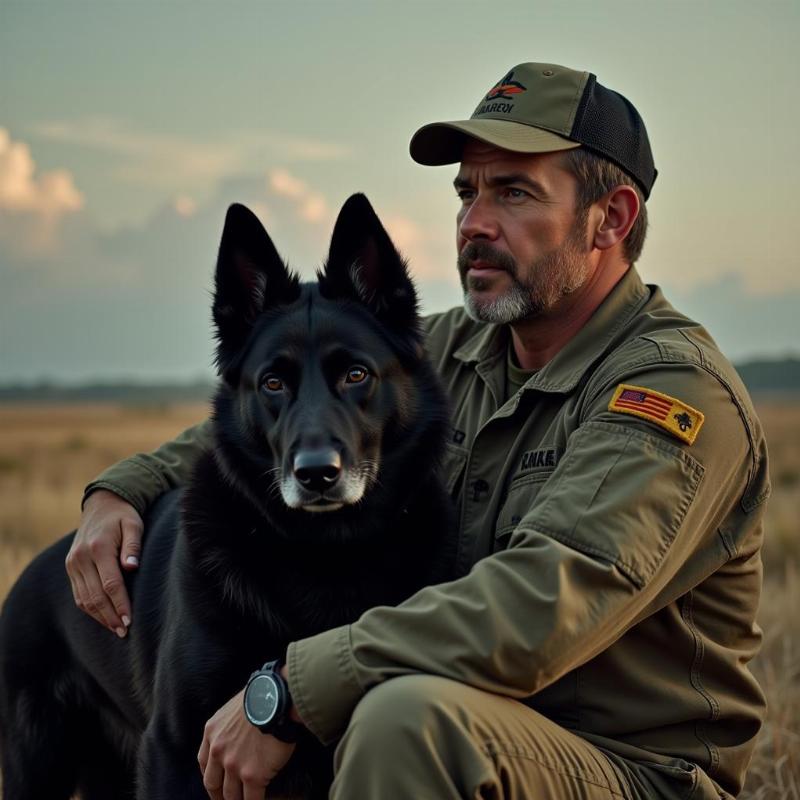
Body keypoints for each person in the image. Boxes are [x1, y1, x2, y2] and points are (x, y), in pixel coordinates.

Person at [66, 62, 769, 799]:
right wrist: (122, 491)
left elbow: (538, 608)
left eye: (514, 192)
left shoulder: (672, 394)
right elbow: (270, 414)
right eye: (467, 191)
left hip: (627, 772)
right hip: (483, 730)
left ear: (612, 218)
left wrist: (290, 689)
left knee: (397, 717)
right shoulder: (447, 350)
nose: (474, 223)